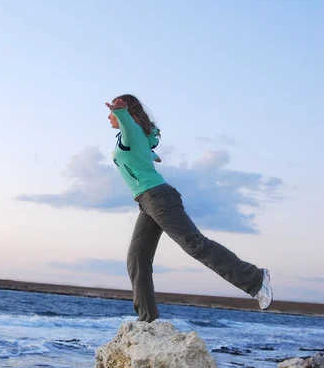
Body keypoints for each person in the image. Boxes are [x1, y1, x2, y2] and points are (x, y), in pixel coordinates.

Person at [106, 94, 273, 322]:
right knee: (137, 258)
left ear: (127, 113)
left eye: (112, 113)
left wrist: (121, 113)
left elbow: (130, 128)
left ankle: (255, 279)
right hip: (147, 202)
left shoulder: (131, 130)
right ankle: (148, 321)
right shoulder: (140, 136)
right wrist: (150, 154)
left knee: (195, 244)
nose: (109, 117)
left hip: (157, 197)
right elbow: (149, 140)